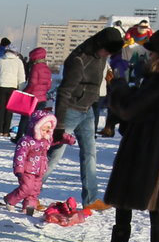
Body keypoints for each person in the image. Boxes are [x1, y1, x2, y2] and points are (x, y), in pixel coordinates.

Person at [94, 29, 159, 242]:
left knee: (124, 188)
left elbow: (130, 108)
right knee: (157, 191)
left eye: (152, 52)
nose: (149, 56)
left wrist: (119, 83)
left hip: (145, 144)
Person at [43, 26, 124, 208]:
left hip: (87, 110)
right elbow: (64, 92)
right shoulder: (79, 60)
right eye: (107, 50)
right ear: (100, 44)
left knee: (90, 153)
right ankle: (32, 192)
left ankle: (91, 200)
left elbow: (96, 85)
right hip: (70, 110)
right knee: (54, 155)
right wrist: (60, 126)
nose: (108, 55)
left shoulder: (102, 57)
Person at [4, 109, 74, 214]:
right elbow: (20, 155)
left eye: (49, 129)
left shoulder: (46, 139)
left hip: (40, 169)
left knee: (35, 190)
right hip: (27, 169)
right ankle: (10, 200)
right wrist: (19, 168)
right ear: (36, 127)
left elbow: (56, 140)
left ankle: (29, 207)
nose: (47, 132)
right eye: (44, 129)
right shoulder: (26, 141)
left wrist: (66, 138)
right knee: (26, 188)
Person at [14, 46, 52, 140]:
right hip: (42, 99)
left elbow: (33, 83)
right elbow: (49, 85)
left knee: (25, 118)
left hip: (33, 98)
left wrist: (25, 92)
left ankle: (19, 137)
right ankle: (35, 138)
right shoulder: (47, 68)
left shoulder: (35, 67)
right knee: (37, 120)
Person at [0, 42, 25, 137]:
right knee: (9, 110)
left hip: (1, 86)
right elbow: (21, 77)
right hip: (13, 88)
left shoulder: (0, 60)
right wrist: (20, 90)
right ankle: (6, 131)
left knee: (0, 109)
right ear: (15, 52)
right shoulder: (18, 62)